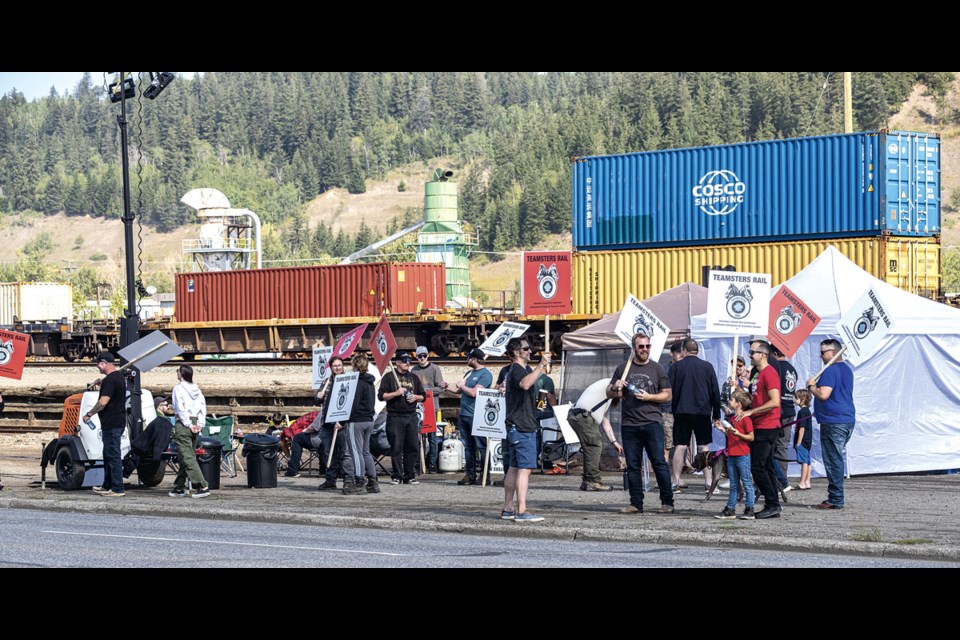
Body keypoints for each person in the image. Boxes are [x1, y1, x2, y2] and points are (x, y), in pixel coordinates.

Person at [606, 333, 674, 515]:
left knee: (659, 463)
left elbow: (667, 394)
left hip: (652, 422)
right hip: (630, 424)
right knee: (633, 465)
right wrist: (615, 387)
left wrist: (649, 397)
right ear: (634, 348)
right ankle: (636, 503)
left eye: (647, 346)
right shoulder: (623, 368)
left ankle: (667, 502)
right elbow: (609, 394)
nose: (645, 349)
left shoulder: (658, 369)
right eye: (641, 346)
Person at [500, 337, 548, 522]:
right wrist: (540, 365)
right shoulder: (517, 370)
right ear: (515, 352)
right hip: (522, 425)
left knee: (513, 467)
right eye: (526, 349)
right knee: (525, 468)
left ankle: (508, 508)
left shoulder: (522, 369)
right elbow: (525, 384)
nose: (530, 352)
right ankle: (521, 510)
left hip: (518, 423)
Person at [806, 339, 855, 510]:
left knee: (833, 460)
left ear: (834, 352)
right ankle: (835, 496)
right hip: (845, 419)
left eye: (823, 352)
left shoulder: (830, 370)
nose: (820, 355)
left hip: (834, 421)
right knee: (836, 458)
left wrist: (811, 386)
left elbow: (824, 394)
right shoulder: (847, 370)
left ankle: (836, 498)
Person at [668, 338, 722, 494]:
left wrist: (673, 409)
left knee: (680, 446)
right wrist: (716, 413)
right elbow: (714, 392)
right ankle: (708, 483)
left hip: (682, 411)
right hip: (702, 411)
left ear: (684, 350)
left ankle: (676, 482)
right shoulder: (707, 367)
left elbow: (670, 391)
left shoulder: (676, 367)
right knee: (704, 446)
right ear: (696, 350)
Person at [738, 340, 781, 519]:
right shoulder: (758, 374)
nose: (750, 355)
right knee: (767, 466)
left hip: (768, 425)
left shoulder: (770, 373)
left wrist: (751, 412)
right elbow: (757, 396)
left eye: (752, 352)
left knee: (757, 467)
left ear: (763, 354)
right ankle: (773, 504)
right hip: (760, 424)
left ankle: (772, 502)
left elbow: (775, 401)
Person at [82, 352, 128, 497]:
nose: (97, 367)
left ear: (104, 363)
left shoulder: (110, 380)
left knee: (113, 455)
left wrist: (89, 414)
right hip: (117, 421)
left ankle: (118, 488)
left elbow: (103, 402)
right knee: (107, 454)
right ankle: (107, 485)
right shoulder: (119, 377)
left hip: (112, 422)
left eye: (98, 364)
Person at [378, 353, 425, 485]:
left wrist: (416, 397)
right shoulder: (388, 377)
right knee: (396, 447)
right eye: (404, 361)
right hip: (395, 416)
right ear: (397, 362)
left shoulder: (414, 377)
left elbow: (423, 396)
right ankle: (397, 475)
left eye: (409, 360)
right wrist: (396, 393)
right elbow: (381, 396)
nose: (408, 363)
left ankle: (409, 475)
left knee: (412, 446)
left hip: (411, 415)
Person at [451, 348, 492, 486]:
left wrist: (462, 386)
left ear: (475, 359)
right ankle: (470, 474)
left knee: (481, 446)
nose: (467, 359)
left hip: (476, 416)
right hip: (464, 415)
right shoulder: (470, 373)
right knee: (468, 447)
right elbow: (458, 390)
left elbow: (475, 393)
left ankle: (485, 474)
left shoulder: (485, 374)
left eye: (469, 357)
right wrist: (445, 386)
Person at [169, 364, 211, 498]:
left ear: (181, 374)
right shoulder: (197, 389)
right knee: (186, 455)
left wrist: (187, 423)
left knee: (187, 457)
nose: (176, 373)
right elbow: (202, 407)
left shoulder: (178, 389)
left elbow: (180, 408)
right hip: (195, 423)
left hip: (183, 423)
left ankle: (202, 485)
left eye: (177, 371)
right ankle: (179, 486)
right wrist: (199, 424)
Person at [714, 388, 755, 520]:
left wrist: (739, 434)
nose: (729, 401)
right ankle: (730, 508)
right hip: (732, 454)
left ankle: (750, 508)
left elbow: (751, 437)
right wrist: (723, 430)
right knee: (734, 484)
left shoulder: (745, 419)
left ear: (739, 404)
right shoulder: (732, 418)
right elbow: (732, 435)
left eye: (732, 400)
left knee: (747, 482)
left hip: (742, 454)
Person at [339, 353, 378, 495]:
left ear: (354, 365)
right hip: (369, 419)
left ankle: (360, 482)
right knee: (366, 452)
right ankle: (373, 482)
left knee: (356, 451)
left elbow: (353, 404)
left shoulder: (357, 383)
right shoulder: (370, 382)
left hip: (357, 420)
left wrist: (343, 420)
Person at [565, 408, 622, 492]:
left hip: (574, 415)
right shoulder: (605, 397)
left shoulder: (605, 402)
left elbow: (606, 423)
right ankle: (593, 481)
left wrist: (614, 442)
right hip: (582, 415)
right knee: (594, 445)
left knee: (589, 448)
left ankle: (587, 481)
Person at [412, 345, 448, 473]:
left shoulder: (434, 368)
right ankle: (418, 464)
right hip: (418, 408)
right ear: (416, 357)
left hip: (432, 407)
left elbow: (441, 387)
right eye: (419, 356)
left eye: (424, 356)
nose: (422, 358)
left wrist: (426, 393)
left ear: (427, 356)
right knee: (417, 437)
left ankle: (432, 464)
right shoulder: (414, 370)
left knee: (432, 437)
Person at [315, 357, 347, 490]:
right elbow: (317, 401)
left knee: (344, 453)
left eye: (339, 365)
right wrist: (318, 397)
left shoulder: (348, 380)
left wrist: (343, 422)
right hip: (328, 423)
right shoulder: (327, 382)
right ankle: (330, 480)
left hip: (342, 424)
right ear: (331, 367)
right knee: (329, 453)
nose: (337, 368)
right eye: (334, 366)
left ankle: (348, 480)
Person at [770, 345, 798, 493]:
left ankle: (780, 481)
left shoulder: (776, 368)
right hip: (789, 410)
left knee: (774, 446)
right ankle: (781, 479)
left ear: (774, 353)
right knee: (782, 446)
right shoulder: (791, 368)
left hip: (779, 411)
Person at [533, 365, 560, 473]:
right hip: (545, 412)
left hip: (533, 411)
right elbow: (550, 397)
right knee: (546, 437)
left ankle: (533, 460)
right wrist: (556, 411)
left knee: (535, 437)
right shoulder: (547, 379)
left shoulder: (531, 377)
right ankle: (545, 460)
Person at [661, 341, 683, 466]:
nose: (680, 355)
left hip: (682, 410)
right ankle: (664, 473)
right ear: (671, 353)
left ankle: (678, 472)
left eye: (682, 352)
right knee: (667, 444)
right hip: (667, 410)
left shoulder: (685, 368)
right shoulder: (665, 369)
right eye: (678, 352)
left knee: (681, 443)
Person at [792, 388, 814, 491]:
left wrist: (798, 442)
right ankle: (807, 481)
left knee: (804, 461)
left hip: (803, 440)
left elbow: (802, 428)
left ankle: (802, 483)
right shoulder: (807, 411)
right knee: (808, 461)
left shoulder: (802, 412)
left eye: (796, 398)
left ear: (803, 399)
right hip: (808, 440)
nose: (794, 400)